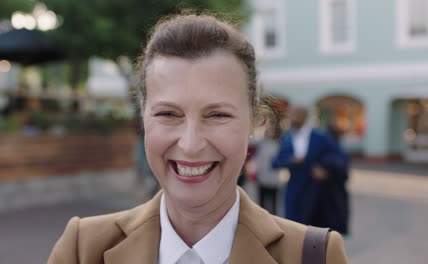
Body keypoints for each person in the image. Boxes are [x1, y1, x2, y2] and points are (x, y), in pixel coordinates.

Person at [48, 13, 348, 264]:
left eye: (218, 115)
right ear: (143, 115)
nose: (191, 145)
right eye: (168, 114)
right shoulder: (84, 250)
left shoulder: (312, 255)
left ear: (254, 121)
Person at [272, 105, 344, 232]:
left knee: (313, 231)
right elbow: (275, 162)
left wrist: (325, 169)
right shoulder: (287, 137)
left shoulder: (320, 136)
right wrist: (290, 160)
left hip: (315, 191)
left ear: (304, 116)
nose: (290, 117)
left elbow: (338, 157)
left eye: (294, 114)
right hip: (293, 188)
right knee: (292, 228)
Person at [246, 98, 282, 214]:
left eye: (271, 130)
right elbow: (250, 143)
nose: (269, 132)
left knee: (274, 202)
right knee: (262, 202)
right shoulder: (261, 142)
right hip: (262, 177)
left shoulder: (279, 144)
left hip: (274, 178)